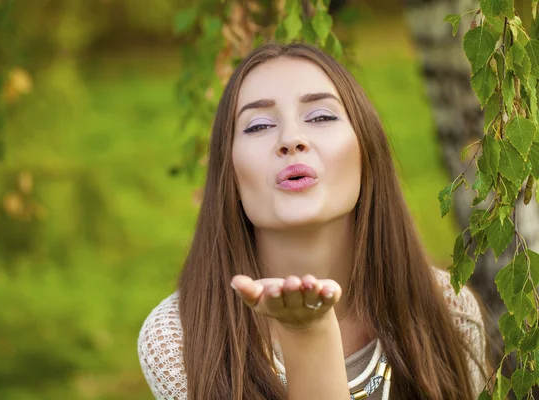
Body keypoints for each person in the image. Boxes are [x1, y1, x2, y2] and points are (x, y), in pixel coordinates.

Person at [137, 42, 489, 400]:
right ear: (230, 176)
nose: (291, 140)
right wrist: (307, 334)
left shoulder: (448, 306)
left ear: (367, 153)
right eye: (258, 126)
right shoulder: (179, 337)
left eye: (321, 117)